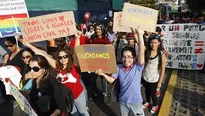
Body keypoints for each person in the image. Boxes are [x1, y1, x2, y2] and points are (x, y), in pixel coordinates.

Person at [19, 39, 90, 116]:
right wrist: (28, 44)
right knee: (74, 114)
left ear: (69, 56)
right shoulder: (57, 66)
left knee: (83, 112)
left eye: (65, 56)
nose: (63, 59)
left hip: (78, 94)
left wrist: (78, 38)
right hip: (67, 96)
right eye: (60, 57)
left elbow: (77, 51)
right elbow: (43, 55)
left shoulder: (74, 65)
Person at [96, 27, 145, 116]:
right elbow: (111, 80)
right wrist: (102, 74)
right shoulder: (118, 67)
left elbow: (142, 51)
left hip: (136, 103)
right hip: (122, 102)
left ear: (134, 58)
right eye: (124, 57)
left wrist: (139, 35)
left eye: (129, 57)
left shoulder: (137, 67)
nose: (126, 60)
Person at [142, 35, 167, 114]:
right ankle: (147, 101)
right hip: (145, 76)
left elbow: (163, 69)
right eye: (151, 42)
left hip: (154, 78)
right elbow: (140, 44)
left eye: (155, 42)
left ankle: (155, 105)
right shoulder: (147, 51)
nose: (153, 44)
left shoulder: (162, 54)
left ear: (159, 43)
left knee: (153, 93)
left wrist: (160, 82)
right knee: (146, 91)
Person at [89, 23, 110, 98]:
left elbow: (109, 51)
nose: (98, 31)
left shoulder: (106, 39)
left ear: (102, 30)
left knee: (103, 78)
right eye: (96, 29)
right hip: (94, 61)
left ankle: (105, 92)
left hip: (103, 62)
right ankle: (94, 91)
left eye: (99, 29)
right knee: (93, 77)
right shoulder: (93, 37)